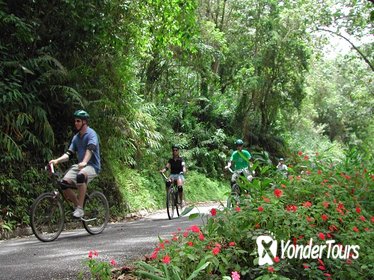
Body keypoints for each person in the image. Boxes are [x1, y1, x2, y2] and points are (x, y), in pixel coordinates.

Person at [49, 110, 100, 218]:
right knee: (63, 183)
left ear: (84, 122)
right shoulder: (76, 137)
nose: (76, 123)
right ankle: (78, 206)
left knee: (81, 176)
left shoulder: (91, 134)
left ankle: (80, 209)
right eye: (75, 121)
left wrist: (85, 161)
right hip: (80, 165)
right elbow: (69, 154)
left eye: (78, 121)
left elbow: (90, 149)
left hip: (92, 166)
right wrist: (57, 160)